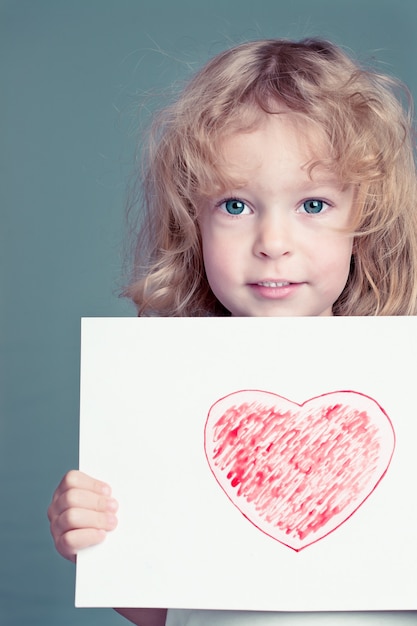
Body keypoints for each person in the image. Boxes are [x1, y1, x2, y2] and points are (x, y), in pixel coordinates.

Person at [47, 38, 417, 625]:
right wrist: (94, 543)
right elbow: (152, 612)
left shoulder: (408, 390)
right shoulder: (166, 399)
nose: (272, 242)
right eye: (236, 206)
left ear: (365, 224)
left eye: (314, 205)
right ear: (192, 220)